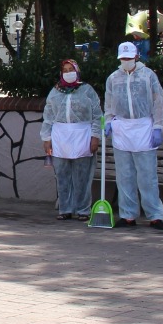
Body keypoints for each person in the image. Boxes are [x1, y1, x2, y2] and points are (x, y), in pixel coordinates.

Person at [103, 41, 163, 230]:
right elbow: (109, 101)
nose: (126, 61)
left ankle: (155, 215)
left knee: (147, 175)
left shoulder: (148, 76)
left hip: (143, 126)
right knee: (124, 175)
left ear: (136, 56)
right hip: (122, 126)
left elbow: (158, 100)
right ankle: (127, 214)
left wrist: (158, 126)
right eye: (123, 58)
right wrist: (108, 121)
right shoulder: (113, 78)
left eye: (129, 57)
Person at [41, 59, 102, 220]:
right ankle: (65, 208)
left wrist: (95, 136)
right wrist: (46, 137)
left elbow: (97, 114)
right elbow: (48, 115)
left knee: (82, 175)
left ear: (77, 71)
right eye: (65, 70)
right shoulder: (55, 91)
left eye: (71, 69)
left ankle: (83, 209)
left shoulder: (87, 90)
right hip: (60, 136)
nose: (68, 73)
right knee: (62, 174)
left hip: (82, 134)